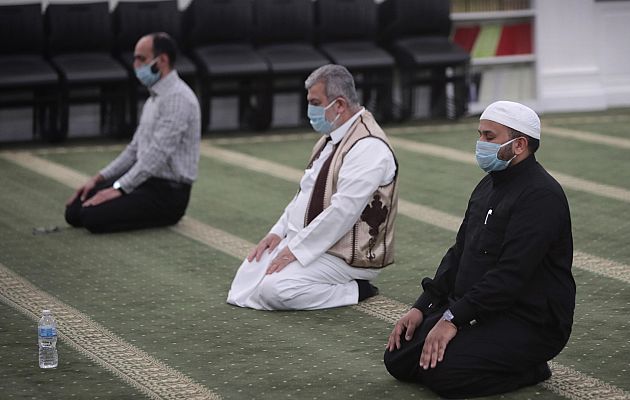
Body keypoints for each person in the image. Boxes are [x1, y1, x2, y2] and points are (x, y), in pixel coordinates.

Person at [383, 101, 576, 398]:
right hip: (481, 308)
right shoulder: (488, 186)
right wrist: (423, 307)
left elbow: (511, 275)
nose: (480, 144)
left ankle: (532, 368)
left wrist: (453, 320)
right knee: (398, 356)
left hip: (528, 319)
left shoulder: (541, 196)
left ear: (520, 144)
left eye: (489, 137)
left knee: (443, 375)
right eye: (480, 135)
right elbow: (459, 252)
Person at [226, 64, 398, 310]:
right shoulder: (332, 137)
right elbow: (304, 194)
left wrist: (295, 250)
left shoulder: (368, 146)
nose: (310, 110)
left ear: (339, 105)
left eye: (315, 102)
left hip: (347, 253)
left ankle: (355, 289)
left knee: (274, 290)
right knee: (250, 271)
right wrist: (278, 232)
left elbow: (343, 212)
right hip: (316, 241)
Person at [65, 32, 200, 233]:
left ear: (162, 60)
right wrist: (99, 178)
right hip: (145, 181)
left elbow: (156, 155)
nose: (135, 64)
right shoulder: (154, 98)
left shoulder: (178, 99)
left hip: (168, 193)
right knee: (75, 209)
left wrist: (120, 188)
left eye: (141, 59)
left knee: (91, 216)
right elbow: (134, 150)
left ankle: (165, 217)